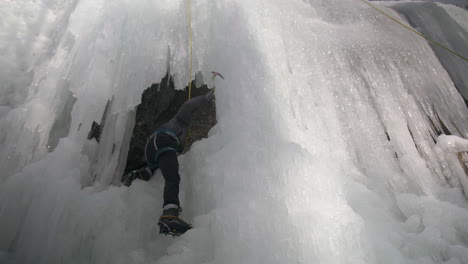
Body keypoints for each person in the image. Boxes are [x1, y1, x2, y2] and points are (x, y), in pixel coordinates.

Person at [121, 89, 215, 236]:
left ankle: (136, 174)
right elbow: (188, 106)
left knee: (155, 168)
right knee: (172, 177)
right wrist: (206, 98)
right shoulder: (180, 121)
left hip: (152, 148)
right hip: (164, 141)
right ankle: (169, 215)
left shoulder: (176, 129)